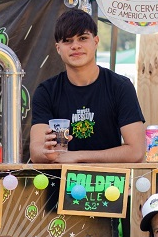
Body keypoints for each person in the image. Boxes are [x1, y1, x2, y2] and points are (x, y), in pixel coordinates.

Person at [29, 8, 145, 164]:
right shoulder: (46, 91)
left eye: (82, 38)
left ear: (95, 42)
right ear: (58, 48)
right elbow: (36, 153)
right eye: (67, 40)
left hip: (109, 179)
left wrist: (78, 156)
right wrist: (46, 152)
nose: (75, 46)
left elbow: (136, 152)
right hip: (59, 179)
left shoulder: (120, 86)